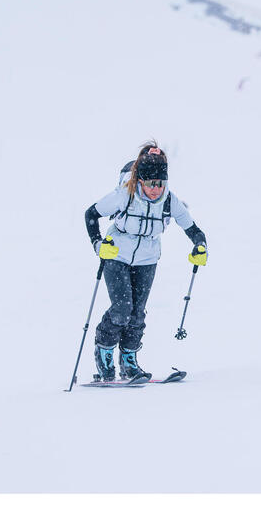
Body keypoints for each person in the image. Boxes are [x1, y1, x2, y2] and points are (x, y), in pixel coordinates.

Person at [83, 141, 207, 381]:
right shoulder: (123, 195)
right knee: (121, 310)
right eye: (150, 183)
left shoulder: (169, 201)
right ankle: (104, 351)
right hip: (116, 256)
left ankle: (129, 359)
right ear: (140, 181)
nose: (155, 189)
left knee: (137, 313)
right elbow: (91, 214)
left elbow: (192, 227)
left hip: (147, 259)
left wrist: (199, 245)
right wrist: (99, 245)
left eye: (160, 183)